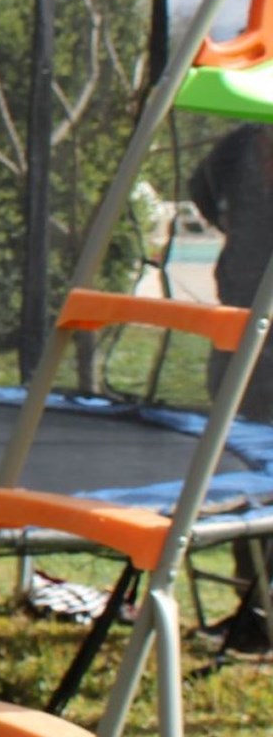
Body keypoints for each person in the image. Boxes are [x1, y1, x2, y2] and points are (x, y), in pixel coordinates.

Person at [185, 123, 273, 652]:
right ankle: (252, 609)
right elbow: (201, 190)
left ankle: (261, 611)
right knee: (246, 470)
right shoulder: (238, 147)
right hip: (241, 335)